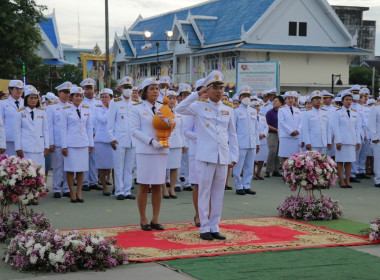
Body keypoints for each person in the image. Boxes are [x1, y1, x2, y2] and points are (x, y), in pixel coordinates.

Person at [176, 70, 238, 241]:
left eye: (221, 88)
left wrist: (234, 156)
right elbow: (178, 108)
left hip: (222, 156)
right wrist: (197, 94)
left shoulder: (228, 109)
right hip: (205, 156)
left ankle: (214, 226)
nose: (219, 91)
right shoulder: (198, 105)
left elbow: (232, 135)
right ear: (207, 90)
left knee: (218, 193)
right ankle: (204, 226)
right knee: (204, 192)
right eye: (215, 88)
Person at [130, 78, 170, 231]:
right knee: (144, 185)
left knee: (158, 185)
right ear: (145, 91)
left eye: (157, 88)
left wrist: (167, 138)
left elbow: (169, 125)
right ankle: (143, 218)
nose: (155, 91)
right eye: (152, 88)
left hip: (161, 150)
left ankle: (155, 218)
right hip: (146, 151)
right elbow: (134, 130)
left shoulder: (163, 107)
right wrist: (151, 141)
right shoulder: (137, 108)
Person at [60, 86, 94, 203]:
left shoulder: (86, 109)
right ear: (71, 97)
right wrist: (64, 146)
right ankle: (72, 192)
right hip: (71, 143)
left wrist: (91, 143)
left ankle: (79, 192)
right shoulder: (65, 110)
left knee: (81, 169)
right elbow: (63, 129)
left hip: (83, 143)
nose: (79, 98)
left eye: (80, 96)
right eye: (76, 96)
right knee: (70, 169)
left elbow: (89, 128)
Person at [107, 76, 136, 200]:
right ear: (120, 89)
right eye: (125, 87)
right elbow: (110, 122)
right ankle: (119, 190)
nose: (128, 89)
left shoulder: (135, 103)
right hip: (119, 138)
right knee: (118, 166)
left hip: (133, 139)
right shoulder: (115, 102)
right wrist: (111, 138)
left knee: (129, 167)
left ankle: (127, 190)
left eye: (130, 87)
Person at [182, 78, 205, 227]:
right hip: (197, 150)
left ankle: (209, 215)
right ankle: (198, 214)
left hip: (213, 152)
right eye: (203, 89)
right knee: (198, 185)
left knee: (210, 186)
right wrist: (203, 139)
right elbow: (186, 131)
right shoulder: (192, 107)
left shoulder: (217, 106)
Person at [47, 82, 72, 198]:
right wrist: (50, 142)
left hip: (70, 142)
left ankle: (67, 188)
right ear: (59, 93)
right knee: (57, 166)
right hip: (57, 142)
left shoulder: (72, 107)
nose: (67, 94)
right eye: (65, 92)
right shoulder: (51, 107)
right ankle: (57, 188)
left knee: (68, 167)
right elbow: (49, 126)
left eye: (68, 92)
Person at [233, 86, 259, 195]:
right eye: (244, 95)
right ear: (239, 97)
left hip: (251, 143)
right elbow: (233, 129)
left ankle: (247, 185)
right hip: (240, 143)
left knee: (249, 166)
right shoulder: (236, 111)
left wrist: (257, 143)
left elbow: (256, 129)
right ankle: (238, 186)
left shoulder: (253, 111)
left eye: (248, 95)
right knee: (238, 166)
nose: (246, 97)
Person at [331, 91, 361, 188]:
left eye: (350, 100)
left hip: (351, 141)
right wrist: (338, 140)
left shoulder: (355, 113)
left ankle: (348, 180)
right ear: (342, 101)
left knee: (349, 161)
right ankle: (341, 180)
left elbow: (357, 128)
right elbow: (335, 128)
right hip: (342, 141)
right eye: (347, 100)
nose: (349, 101)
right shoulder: (338, 113)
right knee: (340, 161)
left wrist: (358, 141)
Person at [80, 78, 102, 191]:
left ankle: (93, 181)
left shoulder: (99, 102)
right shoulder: (81, 102)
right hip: (84, 134)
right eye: (87, 88)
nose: (89, 91)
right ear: (83, 90)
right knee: (84, 158)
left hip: (97, 135)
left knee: (94, 159)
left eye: (91, 88)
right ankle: (84, 182)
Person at [163, 90, 185, 199]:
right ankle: (164, 189)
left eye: (174, 98)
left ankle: (172, 188)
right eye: (170, 98)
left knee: (175, 167)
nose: (172, 100)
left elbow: (182, 129)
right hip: (165, 143)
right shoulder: (160, 112)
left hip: (177, 143)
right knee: (163, 168)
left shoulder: (179, 112)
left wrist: (183, 143)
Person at [94, 88, 114, 196]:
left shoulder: (114, 108)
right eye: (102, 97)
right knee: (101, 165)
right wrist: (111, 110)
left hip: (113, 139)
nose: (104, 99)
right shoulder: (98, 108)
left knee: (115, 165)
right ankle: (105, 187)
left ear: (111, 98)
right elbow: (102, 119)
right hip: (101, 139)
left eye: (107, 97)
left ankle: (116, 186)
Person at [175, 84, 193, 192]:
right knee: (177, 162)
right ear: (180, 96)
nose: (186, 97)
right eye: (184, 95)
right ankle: (177, 182)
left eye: (188, 94)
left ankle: (187, 182)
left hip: (190, 138)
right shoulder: (177, 108)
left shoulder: (193, 108)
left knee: (189, 162)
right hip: (178, 139)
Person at [0, 80, 24, 156]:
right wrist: (1, 143)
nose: (19, 91)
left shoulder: (26, 103)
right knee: (8, 164)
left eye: (21, 88)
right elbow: (1, 123)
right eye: (17, 88)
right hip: (8, 139)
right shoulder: (2, 103)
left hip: (23, 139)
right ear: (10, 89)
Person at [278, 91, 302, 163]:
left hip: (296, 137)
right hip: (286, 136)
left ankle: (293, 174)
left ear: (295, 100)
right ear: (285, 100)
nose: (290, 100)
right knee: (285, 156)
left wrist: (298, 131)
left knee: (295, 157)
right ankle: (285, 173)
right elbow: (282, 122)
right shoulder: (281, 110)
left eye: (292, 98)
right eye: (288, 98)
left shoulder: (298, 110)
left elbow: (301, 122)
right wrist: (290, 131)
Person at [265, 95, 284, 177]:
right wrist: (276, 130)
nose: (274, 102)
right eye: (274, 101)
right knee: (272, 152)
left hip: (282, 135)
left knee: (279, 153)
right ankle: (268, 170)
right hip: (273, 134)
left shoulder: (283, 112)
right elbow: (267, 125)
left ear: (280, 103)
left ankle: (276, 170)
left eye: (276, 101)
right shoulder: (270, 112)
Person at [251, 100, 268, 180]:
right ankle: (253, 173)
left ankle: (259, 173)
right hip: (254, 139)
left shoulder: (262, 116)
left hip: (262, 139)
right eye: (255, 106)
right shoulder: (250, 116)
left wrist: (264, 134)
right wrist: (256, 135)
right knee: (253, 158)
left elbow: (266, 127)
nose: (257, 108)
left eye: (258, 106)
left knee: (261, 157)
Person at [369, 101, 380, 188]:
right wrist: (374, 137)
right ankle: (378, 180)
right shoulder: (375, 108)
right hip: (378, 138)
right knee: (378, 160)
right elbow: (372, 124)